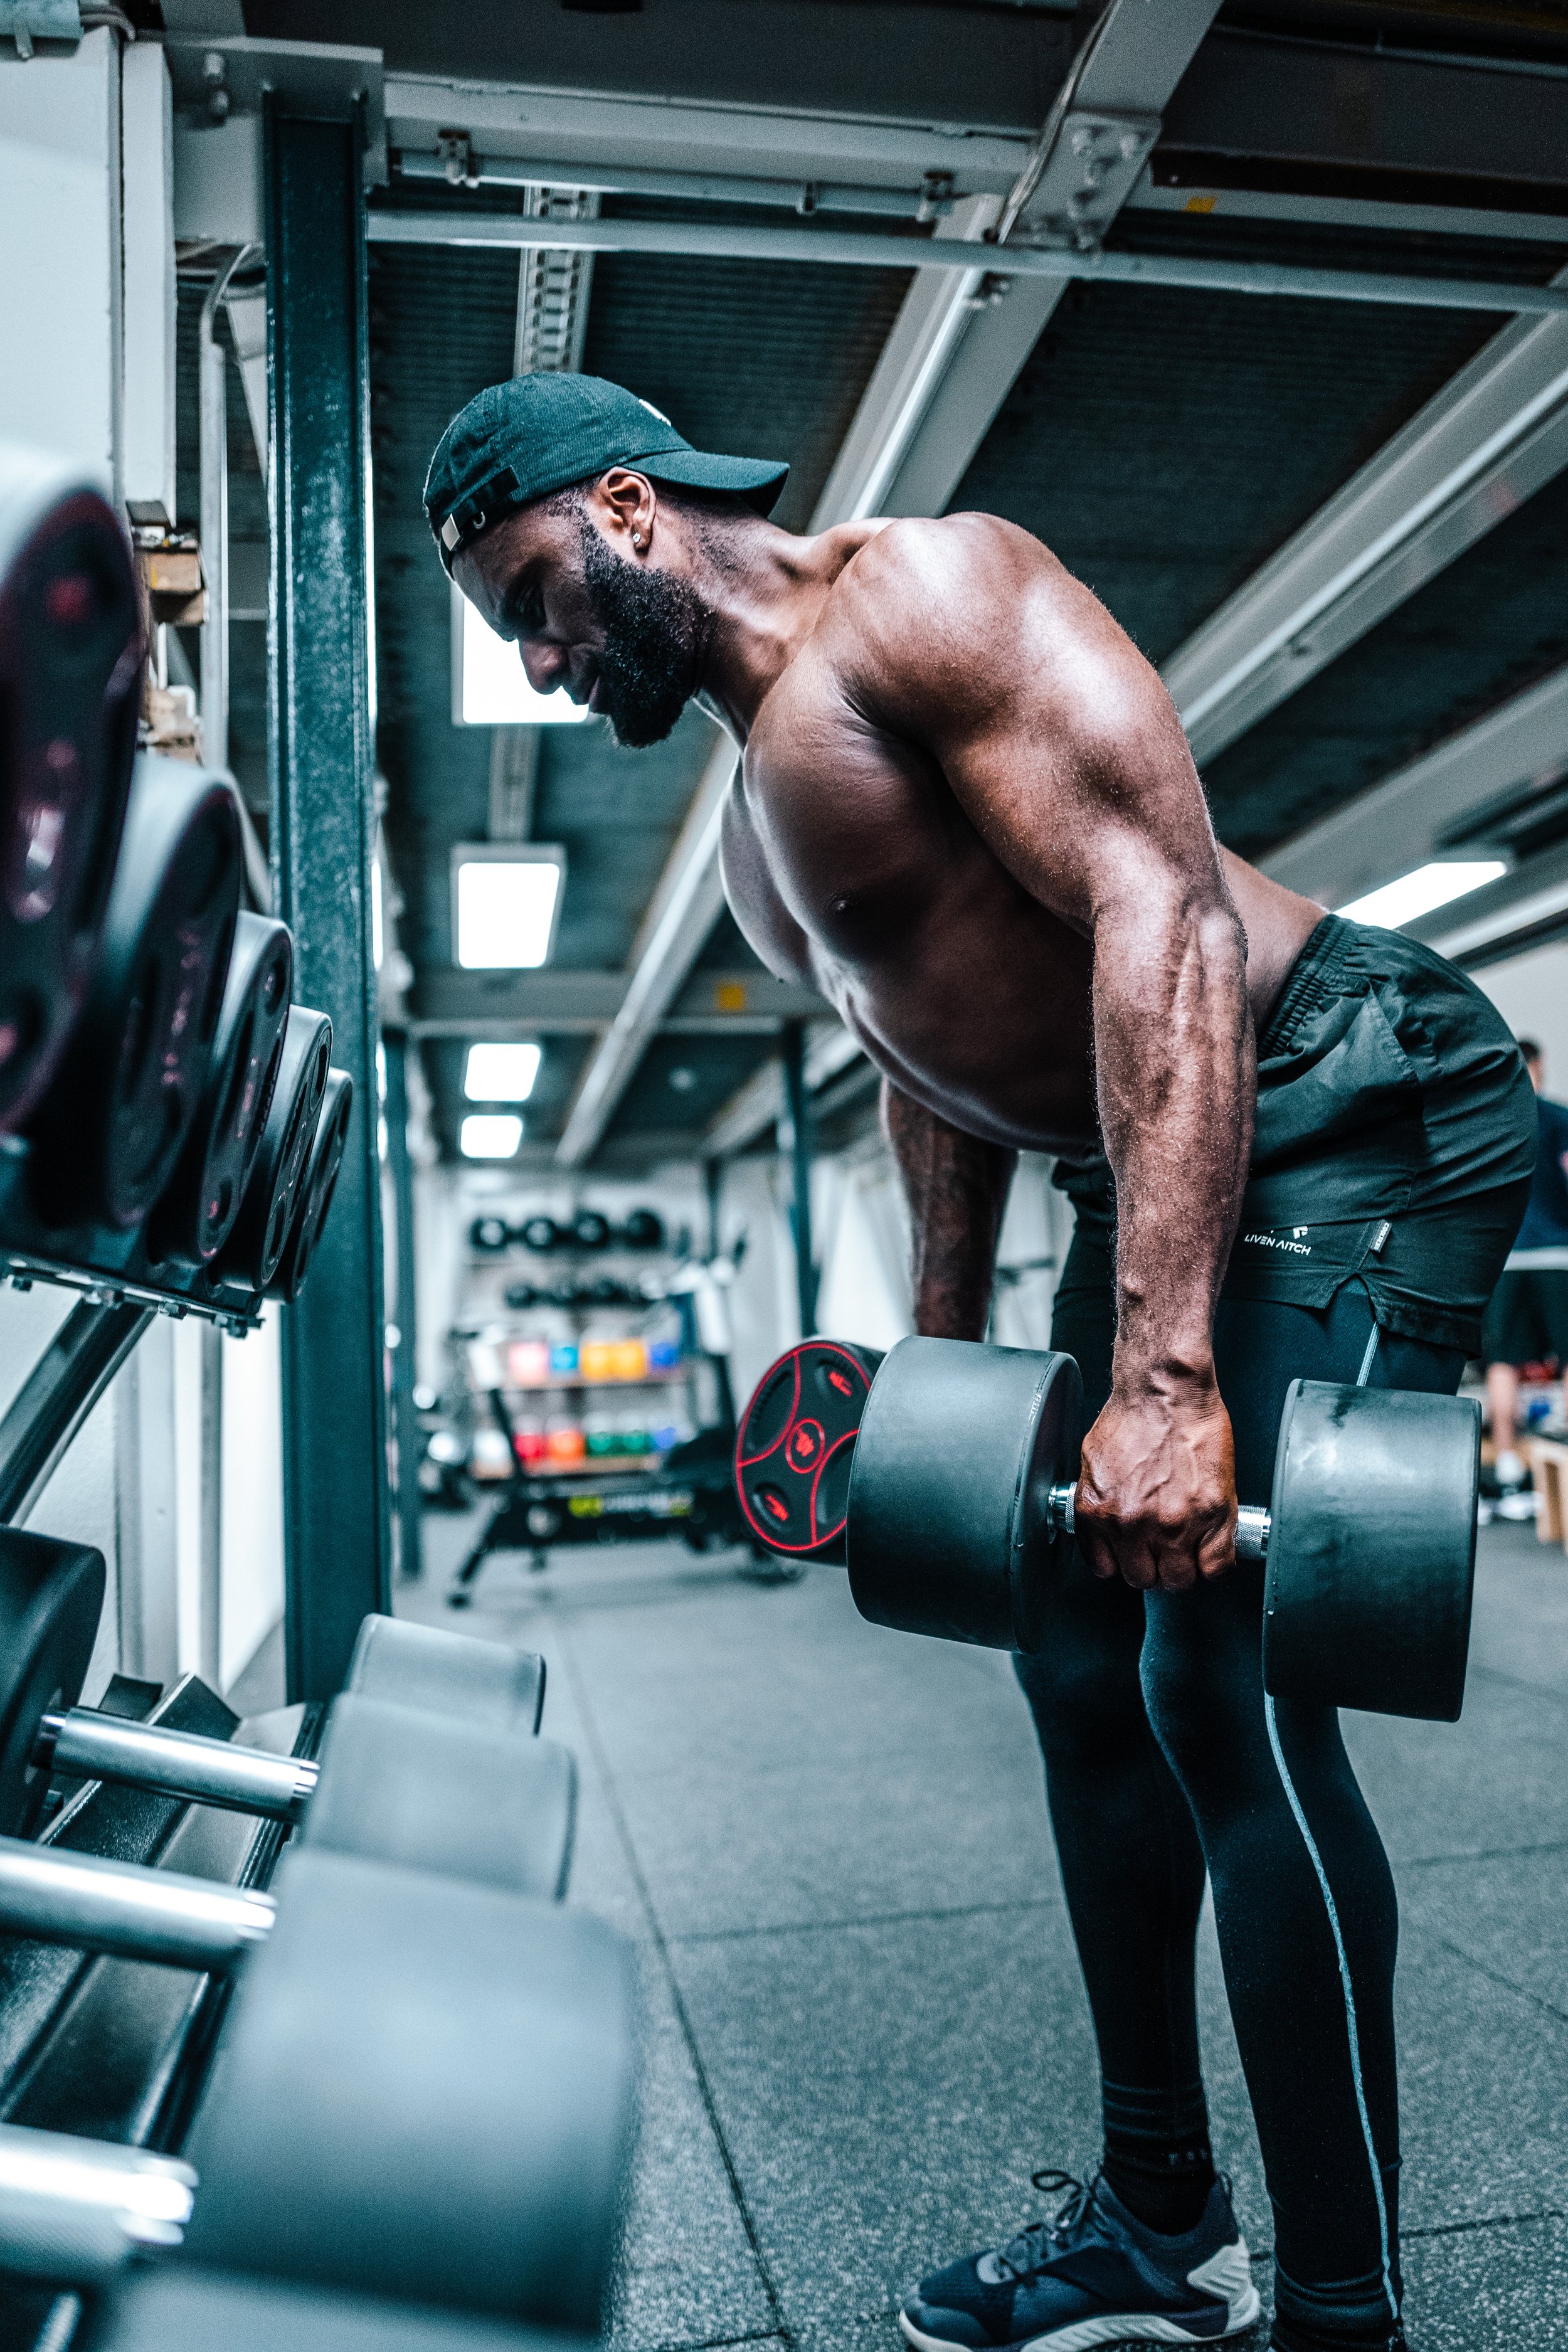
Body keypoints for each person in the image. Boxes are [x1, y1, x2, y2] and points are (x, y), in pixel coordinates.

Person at [426, 375, 1538, 2352]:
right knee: (1067, 1648)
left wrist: (1171, 1382)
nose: (529, 658)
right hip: (1155, 1142)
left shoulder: (927, 593)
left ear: (621, 509)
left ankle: (1346, 2308)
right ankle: (1152, 2214)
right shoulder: (758, 805)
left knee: (1227, 1669)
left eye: (528, 592)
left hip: (1343, 1086)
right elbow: (934, 1076)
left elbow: (1159, 912)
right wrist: (932, 1372)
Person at [1481, 1037, 1568, 1517]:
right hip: (1557, 1254)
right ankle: (1565, 1450)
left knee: (1504, 1361)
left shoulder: (1491, 1120)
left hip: (1508, 1257)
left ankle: (1510, 1461)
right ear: (1536, 1066)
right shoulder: (1557, 1118)